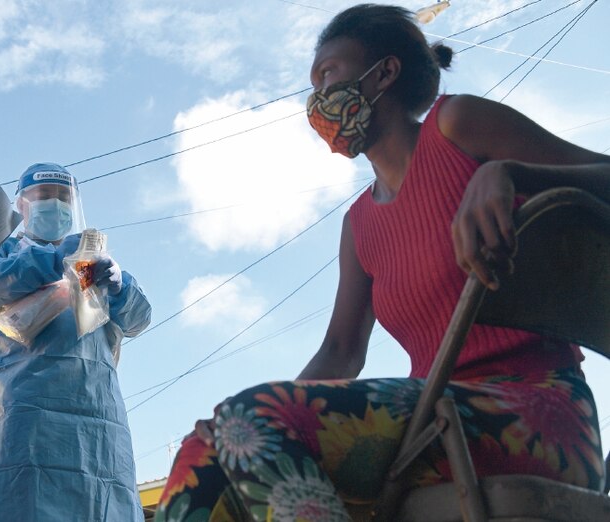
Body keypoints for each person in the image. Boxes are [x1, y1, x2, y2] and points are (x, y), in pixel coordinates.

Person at [156, 5, 609, 521]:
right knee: (203, 451)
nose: (317, 98)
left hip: (540, 415)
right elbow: (340, 353)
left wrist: (513, 173)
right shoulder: (359, 225)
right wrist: (229, 425)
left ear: (384, 73)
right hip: (434, 424)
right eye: (313, 83)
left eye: (328, 73)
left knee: (247, 420)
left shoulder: (457, 126)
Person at [0, 163, 152, 521]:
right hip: (28, 411)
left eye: (64, 197)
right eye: (45, 195)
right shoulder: (1, 254)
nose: (56, 204)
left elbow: (138, 321)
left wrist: (121, 288)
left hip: (99, 415)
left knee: (103, 503)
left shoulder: (92, 262)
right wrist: (54, 259)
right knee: (26, 502)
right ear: (22, 204)